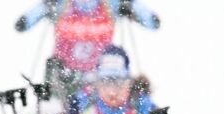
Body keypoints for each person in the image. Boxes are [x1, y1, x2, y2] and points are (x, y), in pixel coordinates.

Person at [14, 0, 160, 102]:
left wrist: (133, 7)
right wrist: (37, 12)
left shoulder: (110, 4)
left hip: (98, 77)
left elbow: (152, 22)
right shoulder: (61, 4)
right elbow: (25, 22)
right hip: (63, 75)